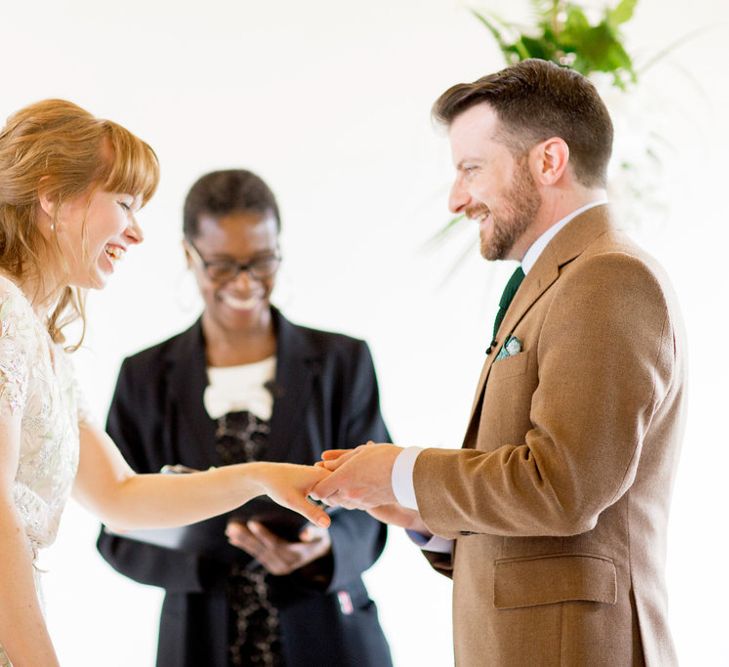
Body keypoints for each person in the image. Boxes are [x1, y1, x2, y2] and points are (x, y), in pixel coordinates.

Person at [312, 59, 686, 666]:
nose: (458, 199)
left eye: (471, 170)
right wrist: (420, 513)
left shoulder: (608, 277)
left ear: (548, 161)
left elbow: (563, 488)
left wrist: (403, 470)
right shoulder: (563, 279)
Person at [0, 101, 331, 667]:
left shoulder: (43, 342)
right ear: (52, 195)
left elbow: (120, 496)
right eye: (124, 203)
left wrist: (258, 477)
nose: (136, 231)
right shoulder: (3, 310)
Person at [96, 169, 393, 667]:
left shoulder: (343, 361)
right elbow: (117, 528)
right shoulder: (145, 377)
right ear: (188, 255)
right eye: (222, 266)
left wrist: (322, 549)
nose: (244, 283)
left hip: (330, 637)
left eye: (261, 262)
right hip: (200, 641)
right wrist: (208, 539)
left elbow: (380, 506)